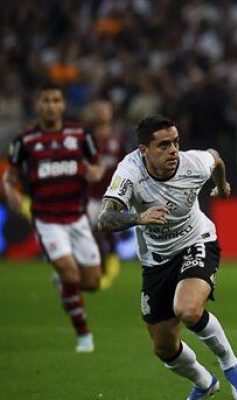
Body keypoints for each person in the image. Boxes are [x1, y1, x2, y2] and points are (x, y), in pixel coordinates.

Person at [97, 115, 237, 400]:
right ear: (144, 150)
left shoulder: (192, 163)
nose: (173, 150)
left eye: (176, 142)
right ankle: (205, 382)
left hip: (197, 241)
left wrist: (223, 186)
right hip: (156, 260)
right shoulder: (129, 172)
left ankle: (232, 364)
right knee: (164, 347)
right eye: (163, 145)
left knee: (188, 309)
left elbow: (215, 159)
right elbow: (105, 218)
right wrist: (139, 217)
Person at [3, 82, 106, 353]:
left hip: (77, 218)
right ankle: (84, 336)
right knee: (72, 274)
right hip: (47, 220)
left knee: (93, 283)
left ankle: (63, 282)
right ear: (38, 105)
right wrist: (9, 191)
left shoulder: (80, 134)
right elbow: (10, 174)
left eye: (55, 100)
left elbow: (97, 162)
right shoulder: (25, 141)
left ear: (62, 105)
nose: (50, 105)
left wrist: (96, 171)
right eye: (45, 100)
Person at [85, 100, 126, 289]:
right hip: (90, 195)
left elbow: (128, 164)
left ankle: (111, 259)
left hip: (112, 195)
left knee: (105, 230)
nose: (102, 112)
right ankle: (99, 268)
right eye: (99, 108)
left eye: (105, 109)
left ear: (111, 113)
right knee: (92, 235)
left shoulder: (118, 139)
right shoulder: (88, 140)